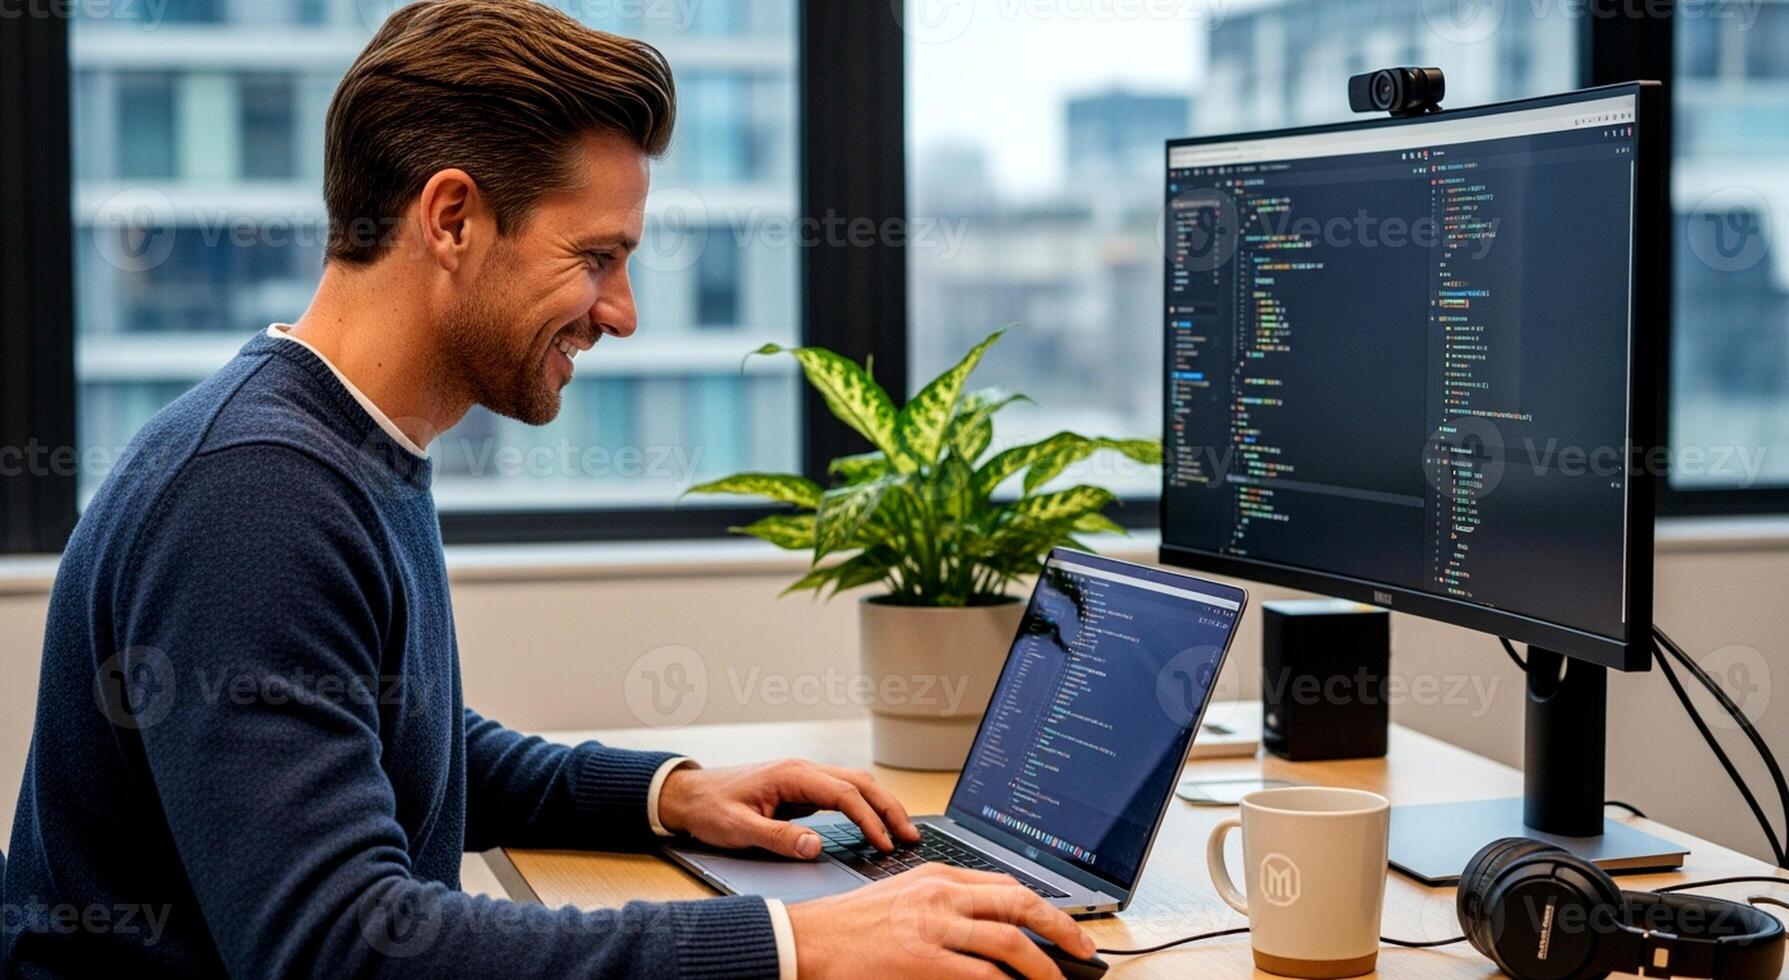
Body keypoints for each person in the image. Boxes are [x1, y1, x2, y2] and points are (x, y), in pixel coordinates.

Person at [0, 1, 1097, 977]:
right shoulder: (257, 497)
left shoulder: (340, 442)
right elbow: (337, 944)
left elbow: (397, 743)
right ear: (452, 218)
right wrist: (795, 941)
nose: (620, 312)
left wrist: (666, 791)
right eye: (597, 257)